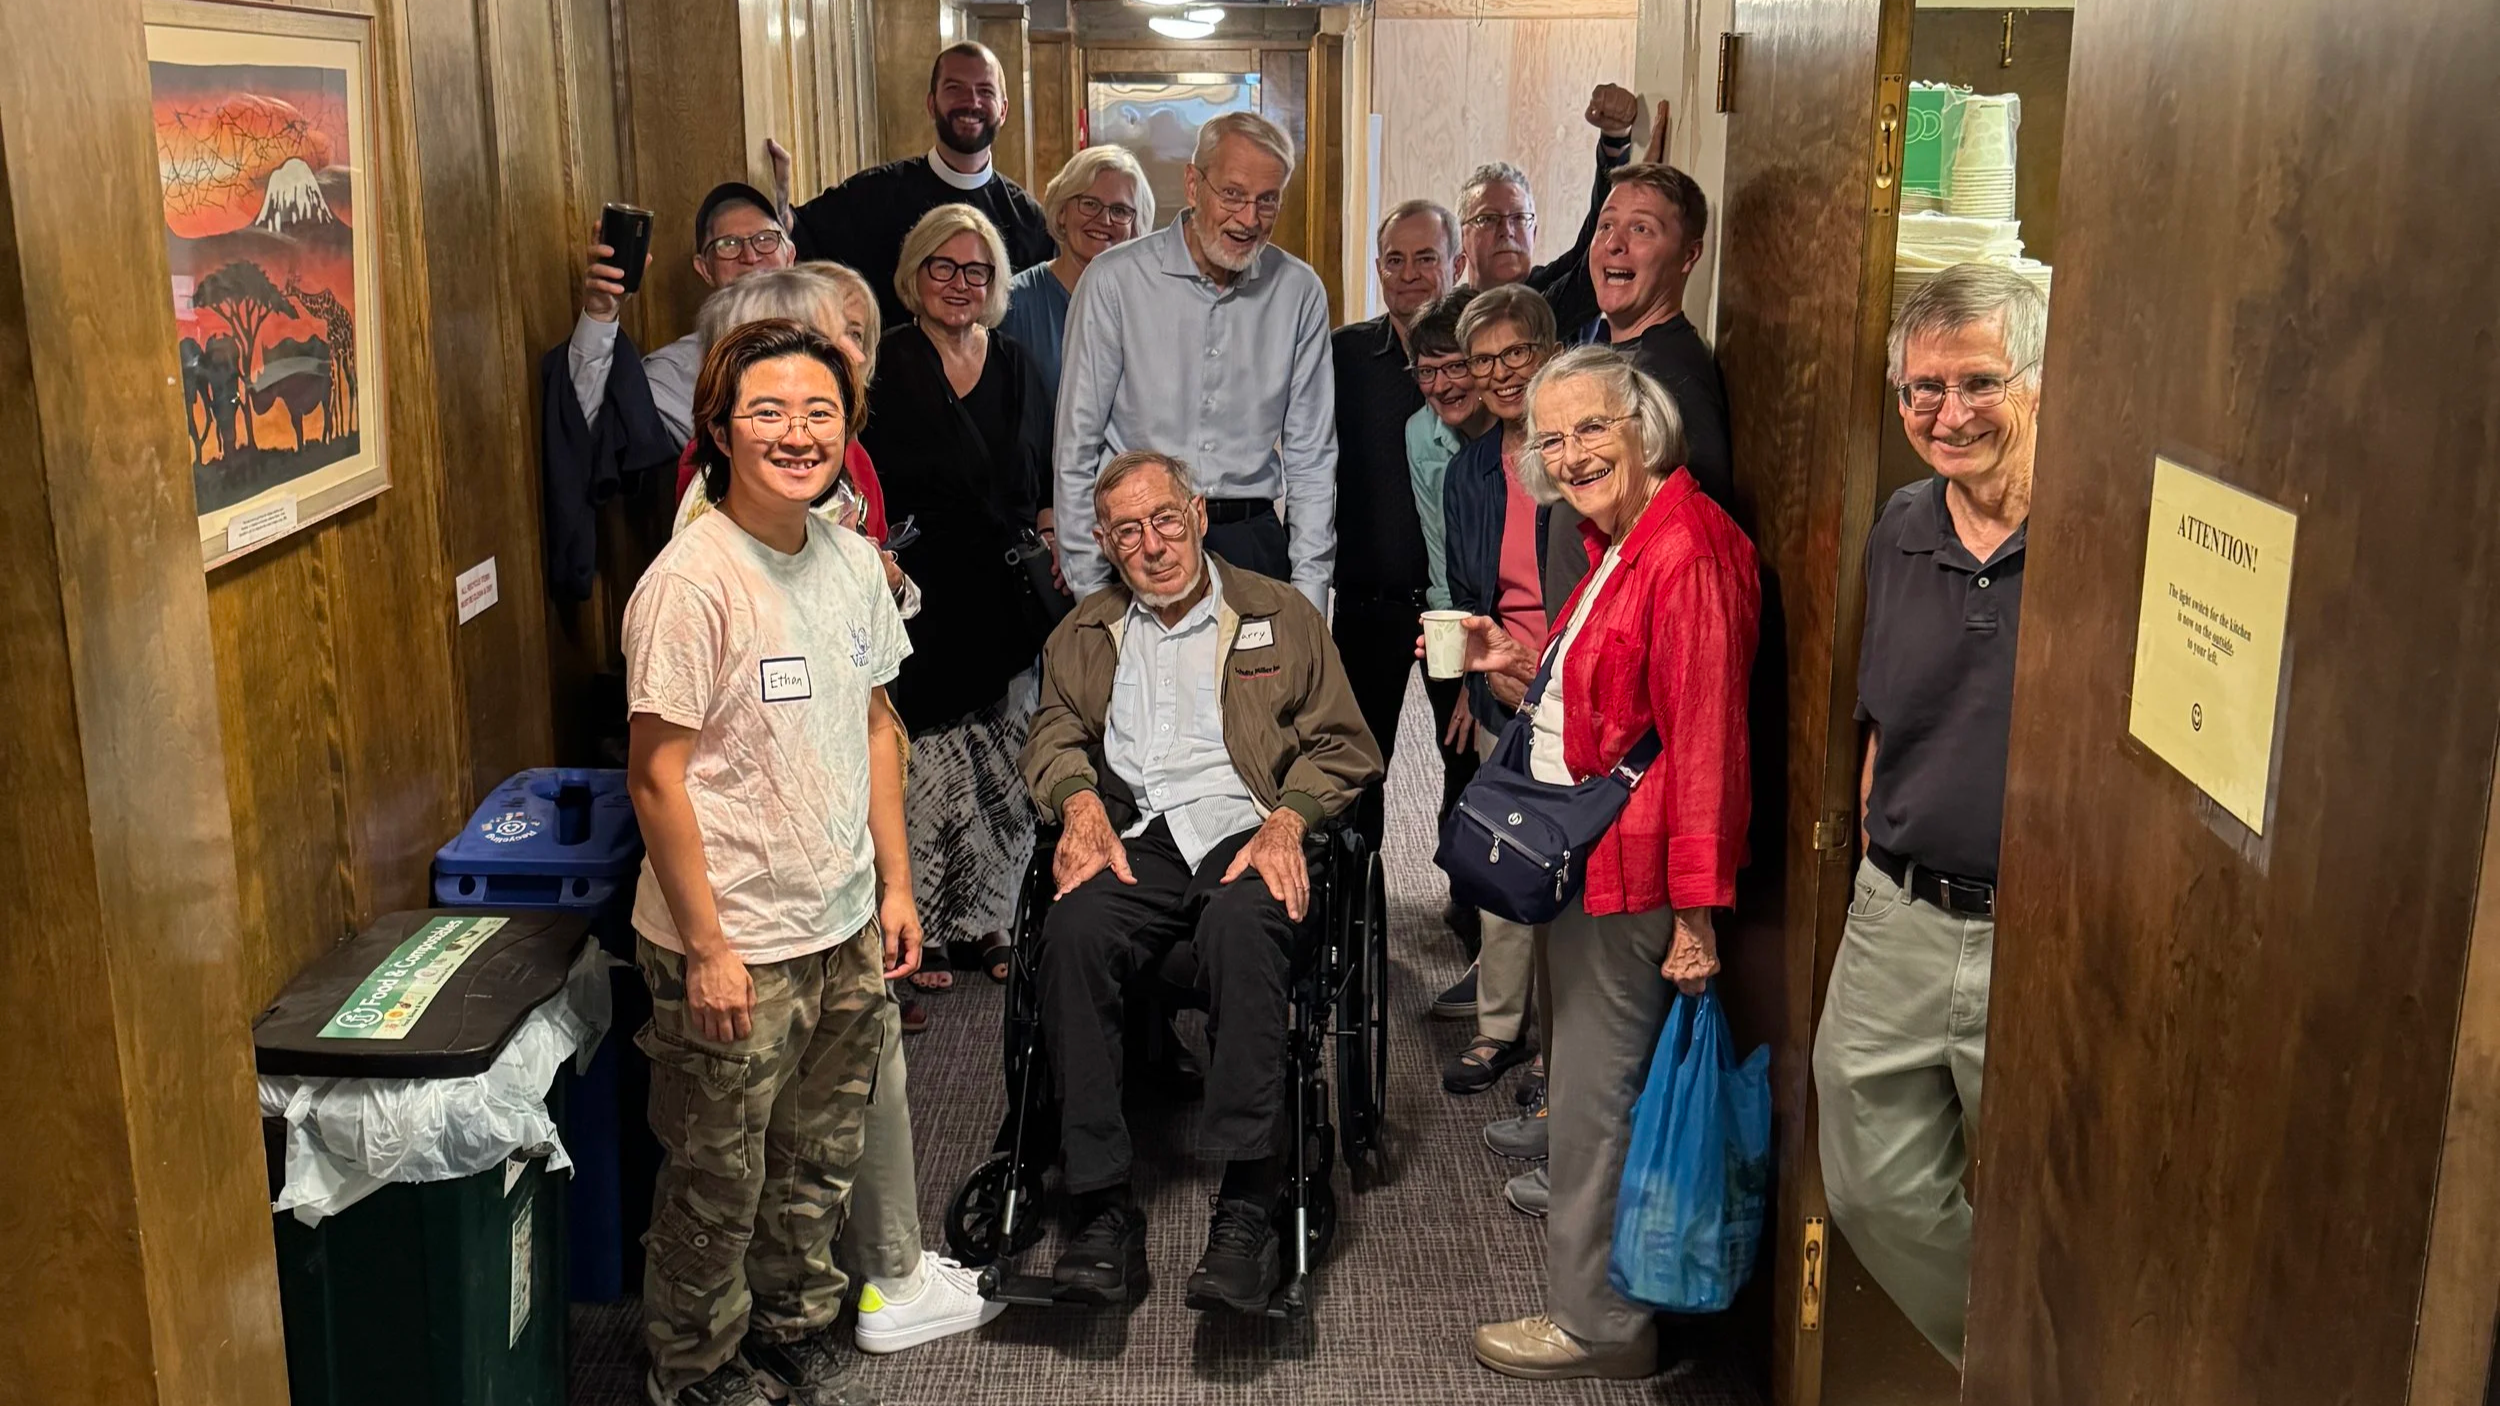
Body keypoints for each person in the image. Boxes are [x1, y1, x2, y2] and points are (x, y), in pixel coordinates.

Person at [623, 319, 925, 1406]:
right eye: (768, 412)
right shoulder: (691, 582)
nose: (798, 435)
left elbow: (878, 726)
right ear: (719, 429)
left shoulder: (849, 562)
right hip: (733, 938)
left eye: (819, 413)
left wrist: (894, 884)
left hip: (839, 923)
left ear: (848, 430)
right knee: (717, 1176)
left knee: (815, 1155)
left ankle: (790, 1320)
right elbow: (655, 777)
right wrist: (707, 946)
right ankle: (695, 1367)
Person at [1447, 344, 1759, 1382]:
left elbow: (1705, 743)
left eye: (1591, 428)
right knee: (1587, 1091)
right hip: (1590, 858)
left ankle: (1601, 1327)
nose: (1572, 453)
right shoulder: (1621, 541)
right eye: (1552, 439)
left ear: (1645, 427)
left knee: (1597, 1102)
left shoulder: (1687, 551)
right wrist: (1514, 666)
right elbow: (1610, 703)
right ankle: (1603, 1308)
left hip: (1637, 876)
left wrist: (1696, 915)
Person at [1020, 449, 1382, 1313]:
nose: (1152, 545)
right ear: (1105, 542)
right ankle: (1099, 1205)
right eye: (1128, 532)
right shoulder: (1085, 632)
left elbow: (1344, 745)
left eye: (1165, 520)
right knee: (1072, 931)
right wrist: (1078, 803)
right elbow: (1053, 732)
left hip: (1249, 824)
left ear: (1199, 515)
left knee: (1241, 925)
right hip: (1141, 833)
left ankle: (1250, 1201)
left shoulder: (1281, 614)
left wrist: (1289, 820)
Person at [1814, 262, 2044, 1366]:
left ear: (2041, 382)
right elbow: (1882, 710)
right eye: (1923, 388)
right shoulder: (1900, 524)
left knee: (2061, 1204)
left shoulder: (2104, 534)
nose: (1948, 413)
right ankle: (2011, 1370)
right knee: (1872, 1189)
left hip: (2043, 940)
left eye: (1980, 382)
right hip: (1898, 915)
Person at [858, 204, 1059, 1018]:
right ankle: (927, 922)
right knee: (927, 762)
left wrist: (1051, 535)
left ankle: (990, 918)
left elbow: (1043, 473)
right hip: (917, 592)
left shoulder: (1016, 363)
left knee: (1002, 760)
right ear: (915, 274)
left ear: (997, 282)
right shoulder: (884, 361)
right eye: (943, 266)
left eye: (977, 270)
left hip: (1004, 590)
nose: (959, 283)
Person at [1054, 111, 1337, 611]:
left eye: (1267, 200)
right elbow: (1075, 451)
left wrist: (1310, 597)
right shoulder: (1112, 282)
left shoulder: (1300, 292)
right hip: (1139, 544)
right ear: (1192, 185)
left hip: (1252, 547)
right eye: (1232, 194)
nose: (1249, 219)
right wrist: (1092, 593)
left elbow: (1312, 459)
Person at [1434, 284, 1564, 1099]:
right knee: (1503, 860)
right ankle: (1500, 1028)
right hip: (1501, 692)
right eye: (1484, 361)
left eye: (1516, 352)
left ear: (1549, 352)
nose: (1501, 373)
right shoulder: (1470, 471)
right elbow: (1465, 592)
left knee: (1570, 869)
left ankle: (1561, 1044)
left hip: (1577, 688)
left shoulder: (1576, 457)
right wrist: (1472, 683)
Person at [1331, 200, 1460, 851]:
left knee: (1465, 759)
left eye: (1426, 258)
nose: (1408, 274)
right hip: (1366, 604)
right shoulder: (1342, 355)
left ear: (1456, 265)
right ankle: (1360, 897)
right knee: (1355, 769)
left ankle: (1471, 891)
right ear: (1378, 268)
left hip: (1456, 611)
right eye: (1394, 260)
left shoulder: (1476, 357)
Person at [778, 42, 1053, 329]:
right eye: (954, 88)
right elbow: (800, 238)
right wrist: (780, 203)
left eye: (985, 91)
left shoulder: (1028, 221)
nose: (971, 102)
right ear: (931, 104)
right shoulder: (873, 194)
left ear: (1003, 110)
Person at [1403, 288, 1492, 977]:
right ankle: (1472, 926)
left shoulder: (1517, 430)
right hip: (1455, 617)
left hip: (1521, 623)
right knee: (1458, 757)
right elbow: (1443, 557)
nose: (1441, 386)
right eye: (1426, 371)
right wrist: (1458, 668)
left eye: (1455, 366)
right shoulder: (1421, 435)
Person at [574, 181, 797, 446]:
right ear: (705, 269)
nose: (750, 256)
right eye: (728, 244)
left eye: (765, 239)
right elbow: (596, 432)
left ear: (790, 256)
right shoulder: (674, 373)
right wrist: (601, 313)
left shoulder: (831, 340)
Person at [1585, 162, 1733, 513]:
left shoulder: (1669, 380)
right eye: (1606, 226)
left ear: (1689, 255)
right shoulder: (1615, 354)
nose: (1613, 243)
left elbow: (1696, 525)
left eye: (1641, 229)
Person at [1452, 85, 1644, 340]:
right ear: (1461, 238)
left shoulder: (1554, 293)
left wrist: (1614, 139)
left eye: (1519, 218)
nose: (1506, 231)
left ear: (1534, 232)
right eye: (1487, 219)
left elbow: (1598, 244)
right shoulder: (1447, 318)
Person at [1001, 145, 1155, 401]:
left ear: (1135, 226)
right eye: (1090, 204)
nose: (1104, 220)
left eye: (1120, 210)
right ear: (1062, 212)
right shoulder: (1013, 305)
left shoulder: (1152, 307)